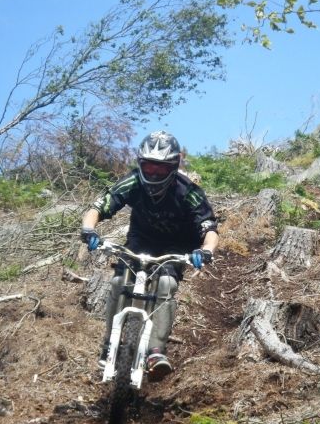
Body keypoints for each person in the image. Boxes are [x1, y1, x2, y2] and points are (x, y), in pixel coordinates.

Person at [80, 131, 219, 381]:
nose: (153, 174)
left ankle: (156, 350)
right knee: (117, 283)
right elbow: (100, 205)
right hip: (139, 241)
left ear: (174, 166)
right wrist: (89, 229)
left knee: (166, 285)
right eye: (148, 166)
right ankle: (108, 344)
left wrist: (205, 251)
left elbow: (209, 228)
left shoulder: (188, 192)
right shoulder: (133, 182)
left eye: (160, 168)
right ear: (140, 163)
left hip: (176, 247)